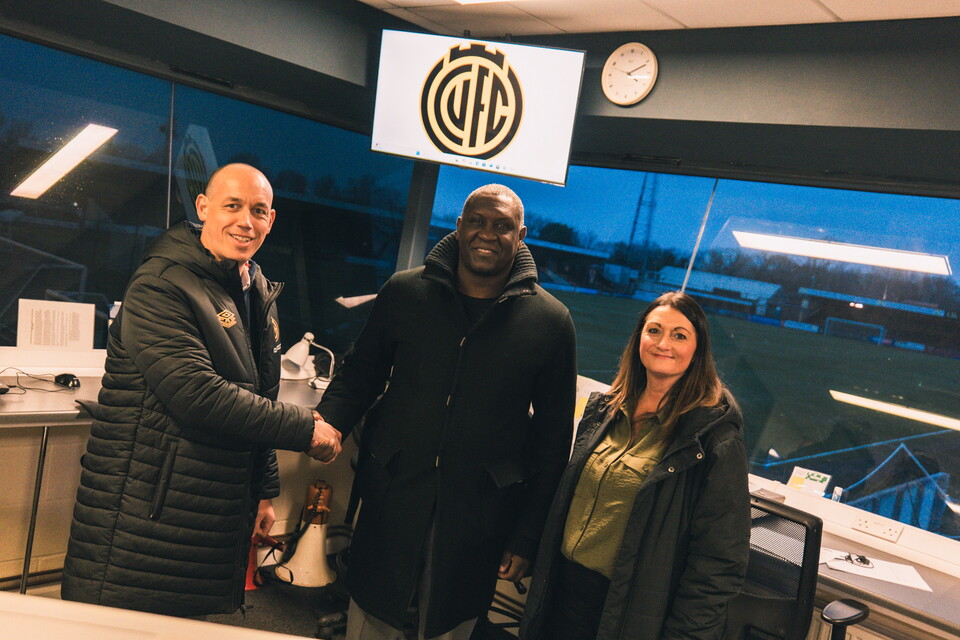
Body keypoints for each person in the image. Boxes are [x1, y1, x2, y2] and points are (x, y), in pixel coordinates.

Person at [61, 163, 342, 617]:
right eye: (232, 206)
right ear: (204, 208)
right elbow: (197, 395)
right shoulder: (161, 284)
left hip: (210, 505)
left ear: (272, 220)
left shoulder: (255, 290)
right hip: (145, 512)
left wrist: (264, 492)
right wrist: (305, 426)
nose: (245, 221)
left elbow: (259, 395)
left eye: (258, 210)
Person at [315, 184, 577, 640]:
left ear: (521, 236)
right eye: (476, 221)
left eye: (502, 226)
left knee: (450, 621)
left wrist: (527, 536)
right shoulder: (404, 292)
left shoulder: (550, 322)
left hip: (480, 509)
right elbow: (361, 373)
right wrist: (326, 422)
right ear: (458, 227)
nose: (487, 234)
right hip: (394, 489)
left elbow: (553, 442)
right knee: (372, 612)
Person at [520, 291, 751, 640]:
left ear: (698, 350)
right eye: (654, 330)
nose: (663, 343)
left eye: (679, 335)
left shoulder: (714, 442)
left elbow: (719, 563)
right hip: (563, 593)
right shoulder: (605, 411)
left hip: (627, 610)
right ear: (639, 338)